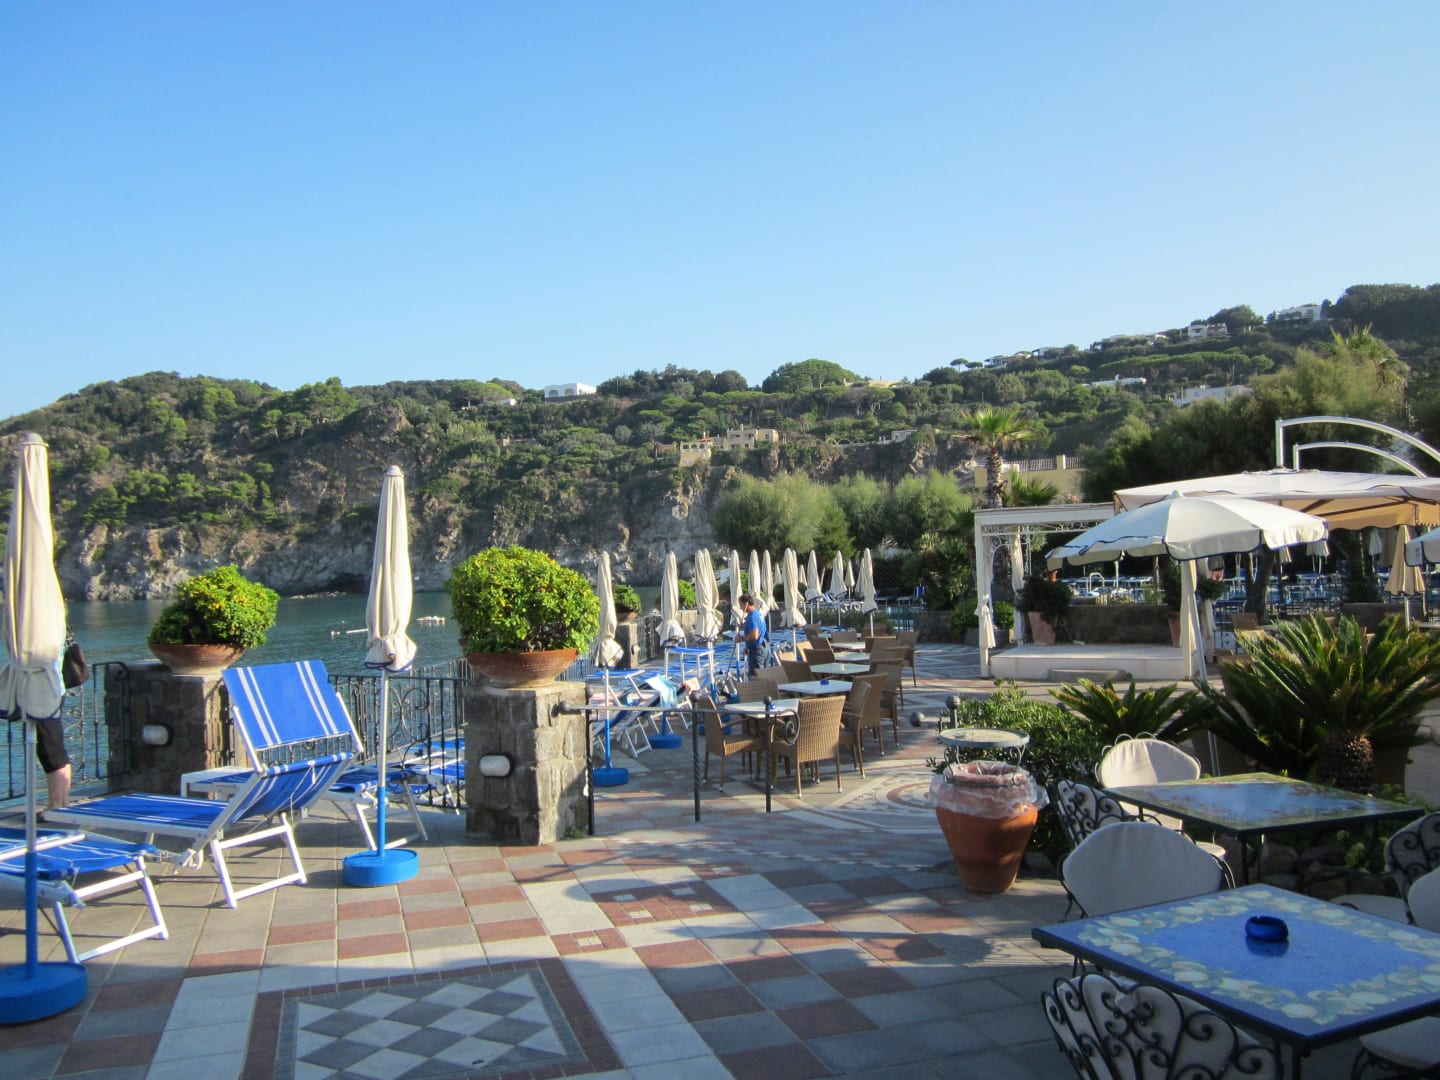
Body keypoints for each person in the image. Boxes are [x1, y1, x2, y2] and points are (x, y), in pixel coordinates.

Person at [739, 593, 768, 678]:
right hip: (764, 646)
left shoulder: (752, 618)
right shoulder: (758, 614)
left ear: (746, 604)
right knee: (764, 676)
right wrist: (747, 646)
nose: (740, 608)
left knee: (756, 677)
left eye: (741, 605)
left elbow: (754, 635)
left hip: (757, 650)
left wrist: (742, 639)